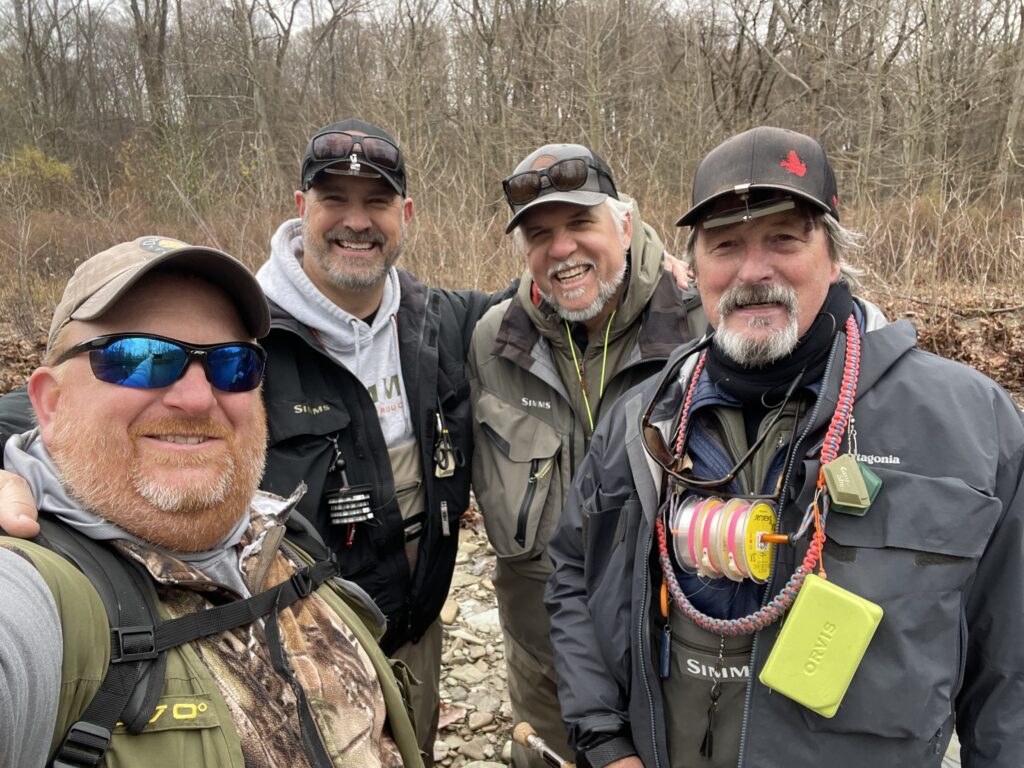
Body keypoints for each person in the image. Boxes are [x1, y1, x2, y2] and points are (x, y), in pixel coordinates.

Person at [0, 119, 495, 765]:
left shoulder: (443, 321)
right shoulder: (254, 327)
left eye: (376, 202)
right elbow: (31, 415)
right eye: (141, 359)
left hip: (383, 630)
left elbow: (544, 302)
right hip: (265, 620)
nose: (195, 393)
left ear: (406, 215)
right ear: (300, 208)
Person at [545, 127, 1024, 768]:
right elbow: (572, 575)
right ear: (693, 267)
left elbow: (1011, 664)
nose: (753, 270)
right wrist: (604, 743)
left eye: (784, 239)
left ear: (834, 254)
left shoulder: (970, 422)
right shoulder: (641, 419)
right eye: (725, 245)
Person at [0, 236, 422, 767]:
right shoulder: (34, 594)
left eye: (232, 365)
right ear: (50, 403)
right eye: (141, 357)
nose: (198, 398)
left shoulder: (282, 531)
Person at [468, 143, 706, 767]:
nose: (562, 248)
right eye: (540, 234)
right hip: (541, 658)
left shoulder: (703, 322)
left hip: (674, 666)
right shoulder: (493, 340)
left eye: (580, 224)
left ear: (626, 225)